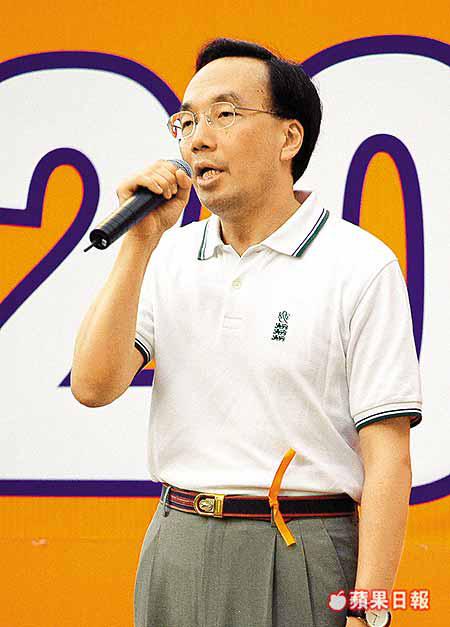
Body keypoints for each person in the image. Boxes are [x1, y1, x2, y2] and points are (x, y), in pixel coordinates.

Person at [71, 37, 422, 627]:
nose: (197, 139)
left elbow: (388, 457)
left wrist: (371, 609)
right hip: (176, 540)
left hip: (300, 545)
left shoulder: (359, 264)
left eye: (225, 114)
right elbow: (93, 385)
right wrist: (140, 243)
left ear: (289, 138)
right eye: (186, 122)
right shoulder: (169, 255)